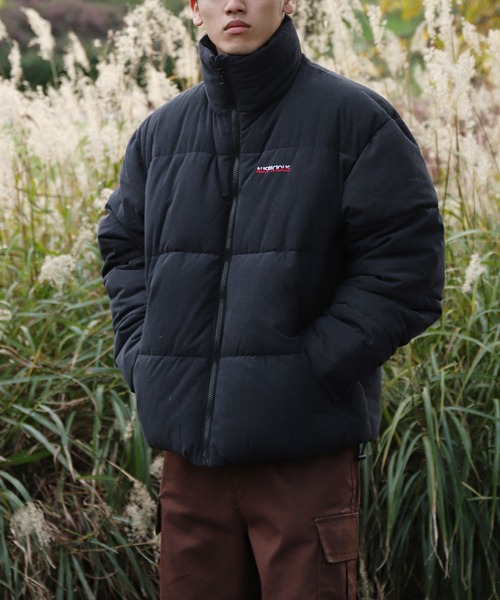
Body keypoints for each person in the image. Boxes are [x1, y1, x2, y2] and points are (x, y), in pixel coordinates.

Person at [98, 0, 444, 597]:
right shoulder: (160, 134)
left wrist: (311, 368)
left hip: (303, 457)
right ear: (195, 8)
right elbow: (123, 251)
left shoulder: (355, 120)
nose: (235, 4)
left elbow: (406, 269)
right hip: (191, 468)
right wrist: (144, 354)